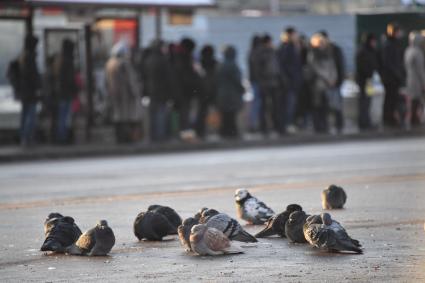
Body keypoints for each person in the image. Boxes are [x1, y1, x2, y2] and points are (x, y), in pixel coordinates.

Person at [105, 41, 142, 143]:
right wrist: (136, 94)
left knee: (118, 118)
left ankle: (119, 139)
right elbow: (131, 82)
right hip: (126, 97)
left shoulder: (110, 64)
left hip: (115, 96)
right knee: (127, 119)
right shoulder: (125, 64)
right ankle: (127, 139)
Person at [307, 33, 337, 133]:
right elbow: (316, 68)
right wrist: (328, 78)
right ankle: (318, 126)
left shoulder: (328, 53)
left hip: (327, 84)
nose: (322, 44)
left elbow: (332, 67)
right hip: (318, 85)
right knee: (317, 106)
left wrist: (333, 78)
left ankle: (325, 125)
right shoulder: (313, 54)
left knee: (326, 106)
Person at [144, 40, 173, 142]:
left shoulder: (148, 60)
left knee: (153, 115)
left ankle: (152, 136)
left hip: (151, 92)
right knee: (161, 115)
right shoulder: (163, 60)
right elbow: (168, 78)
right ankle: (160, 137)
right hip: (161, 92)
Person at [277, 27, 303, 133]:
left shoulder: (288, 47)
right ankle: (287, 125)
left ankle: (287, 124)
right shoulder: (287, 47)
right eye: (295, 34)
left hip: (291, 81)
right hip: (289, 82)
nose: (296, 36)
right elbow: (284, 66)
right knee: (288, 105)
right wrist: (288, 79)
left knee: (289, 104)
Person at [216, 46, 245, 138]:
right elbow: (237, 80)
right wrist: (242, 89)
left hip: (222, 94)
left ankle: (224, 132)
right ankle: (232, 133)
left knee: (225, 115)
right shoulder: (233, 65)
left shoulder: (221, 65)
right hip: (232, 94)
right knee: (231, 115)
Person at [53, 39, 78, 143]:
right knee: (65, 116)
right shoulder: (67, 61)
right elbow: (69, 79)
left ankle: (61, 136)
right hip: (66, 93)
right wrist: (74, 88)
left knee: (62, 116)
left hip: (61, 93)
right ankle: (63, 137)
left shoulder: (60, 60)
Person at [18, 34, 41, 146]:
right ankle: (27, 138)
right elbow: (33, 76)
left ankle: (23, 137)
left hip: (24, 92)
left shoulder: (23, 57)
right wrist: (37, 88)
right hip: (30, 92)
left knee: (25, 114)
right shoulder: (30, 58)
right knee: (31, 116)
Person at [257, 34, 283, 136]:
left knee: (273, 107)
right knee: (266, 107)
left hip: (272, 83)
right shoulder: (263, 53)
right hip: (267, 83)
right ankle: (266, 128)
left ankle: (275, 127)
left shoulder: (271, 52)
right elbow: (260, 70)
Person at [320, 30, 345, 133]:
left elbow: (340, 66)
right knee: (327, 105)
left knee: (336, 105)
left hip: (335, 82)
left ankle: (339, 125)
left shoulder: (334, 49)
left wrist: (339, 80)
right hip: (326, 83)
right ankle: (329, 126)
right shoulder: (321, 50)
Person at [381, 23, 405, 127]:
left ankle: (390, 118)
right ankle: (388, 119)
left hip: (392, 77)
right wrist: (398, 74)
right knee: (390, 99)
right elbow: (390, 63)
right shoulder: (390, 45)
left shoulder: (391, 44)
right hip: (391, 78)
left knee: (391, 99)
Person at [356, 33, 380, 130]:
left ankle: (366, 121)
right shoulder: (363, 51)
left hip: (369, 80)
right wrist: (369, 74)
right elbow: (363, 67)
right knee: (364, 102)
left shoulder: (369, 51)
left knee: (367, 101)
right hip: (365, 80)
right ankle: (364, 122)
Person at [195, 45, 218, 139]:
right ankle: (216, 129)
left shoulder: (199, 64)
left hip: (202, 92)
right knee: (215, 111)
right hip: (213, 91)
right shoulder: (215, 63)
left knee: (202, 112)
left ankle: (201, 131)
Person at [404, 31, 425, 130]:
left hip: (409, 78)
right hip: (416, 80)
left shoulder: (408, 50)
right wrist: (423, 82)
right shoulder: (418, 53)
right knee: (416, 100)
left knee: (412, 100)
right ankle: (414, 119)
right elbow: (420, 70)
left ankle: (412, 119)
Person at [247, 35, 262, 132]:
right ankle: (254, 124)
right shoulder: (257, 53)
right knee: (257, 103)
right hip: (258, 81)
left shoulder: (251, 52)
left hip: (253, 80)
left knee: (255, 102)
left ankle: (253, 124)